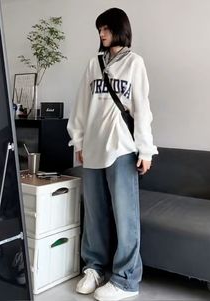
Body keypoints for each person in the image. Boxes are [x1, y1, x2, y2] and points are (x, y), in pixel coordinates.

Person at [67, 7, 158, 301]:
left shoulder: (135, 63)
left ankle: (126, 279)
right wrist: (78, 142)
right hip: (92, 149)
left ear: (119, 28)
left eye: (105, 28)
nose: (101, 34)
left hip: (121, 148)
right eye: (99, 30)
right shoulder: (94, 64)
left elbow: (142, 110)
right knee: (94, 214)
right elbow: (81, 105)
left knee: (125, 216)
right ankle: (94, 267)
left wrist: (146, 150)